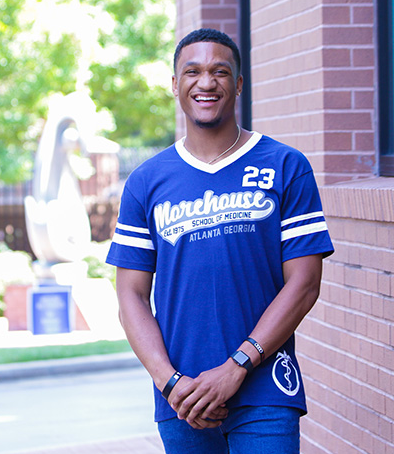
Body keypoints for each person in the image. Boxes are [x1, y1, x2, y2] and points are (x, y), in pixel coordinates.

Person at [106, 28, 334, 453]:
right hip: (183, 400)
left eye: (220, 71)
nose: (206, 82)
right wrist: (168, 381)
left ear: (239, 83)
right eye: (192, 72)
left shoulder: (285, 165)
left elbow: (304, 284)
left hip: (264, 389)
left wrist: (236, 366)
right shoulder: (146, 182)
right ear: (175, 84)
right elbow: (130, 296)